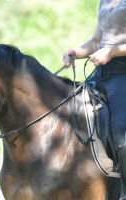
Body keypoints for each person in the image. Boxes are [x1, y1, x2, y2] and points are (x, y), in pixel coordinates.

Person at [63, 0, 126, 199]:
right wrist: (77, 52)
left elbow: (109, 48)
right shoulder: (105, 1)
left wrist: (112, 51)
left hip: (123, 73)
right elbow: (96, 41)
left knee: (120, 132)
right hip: (101, 73)